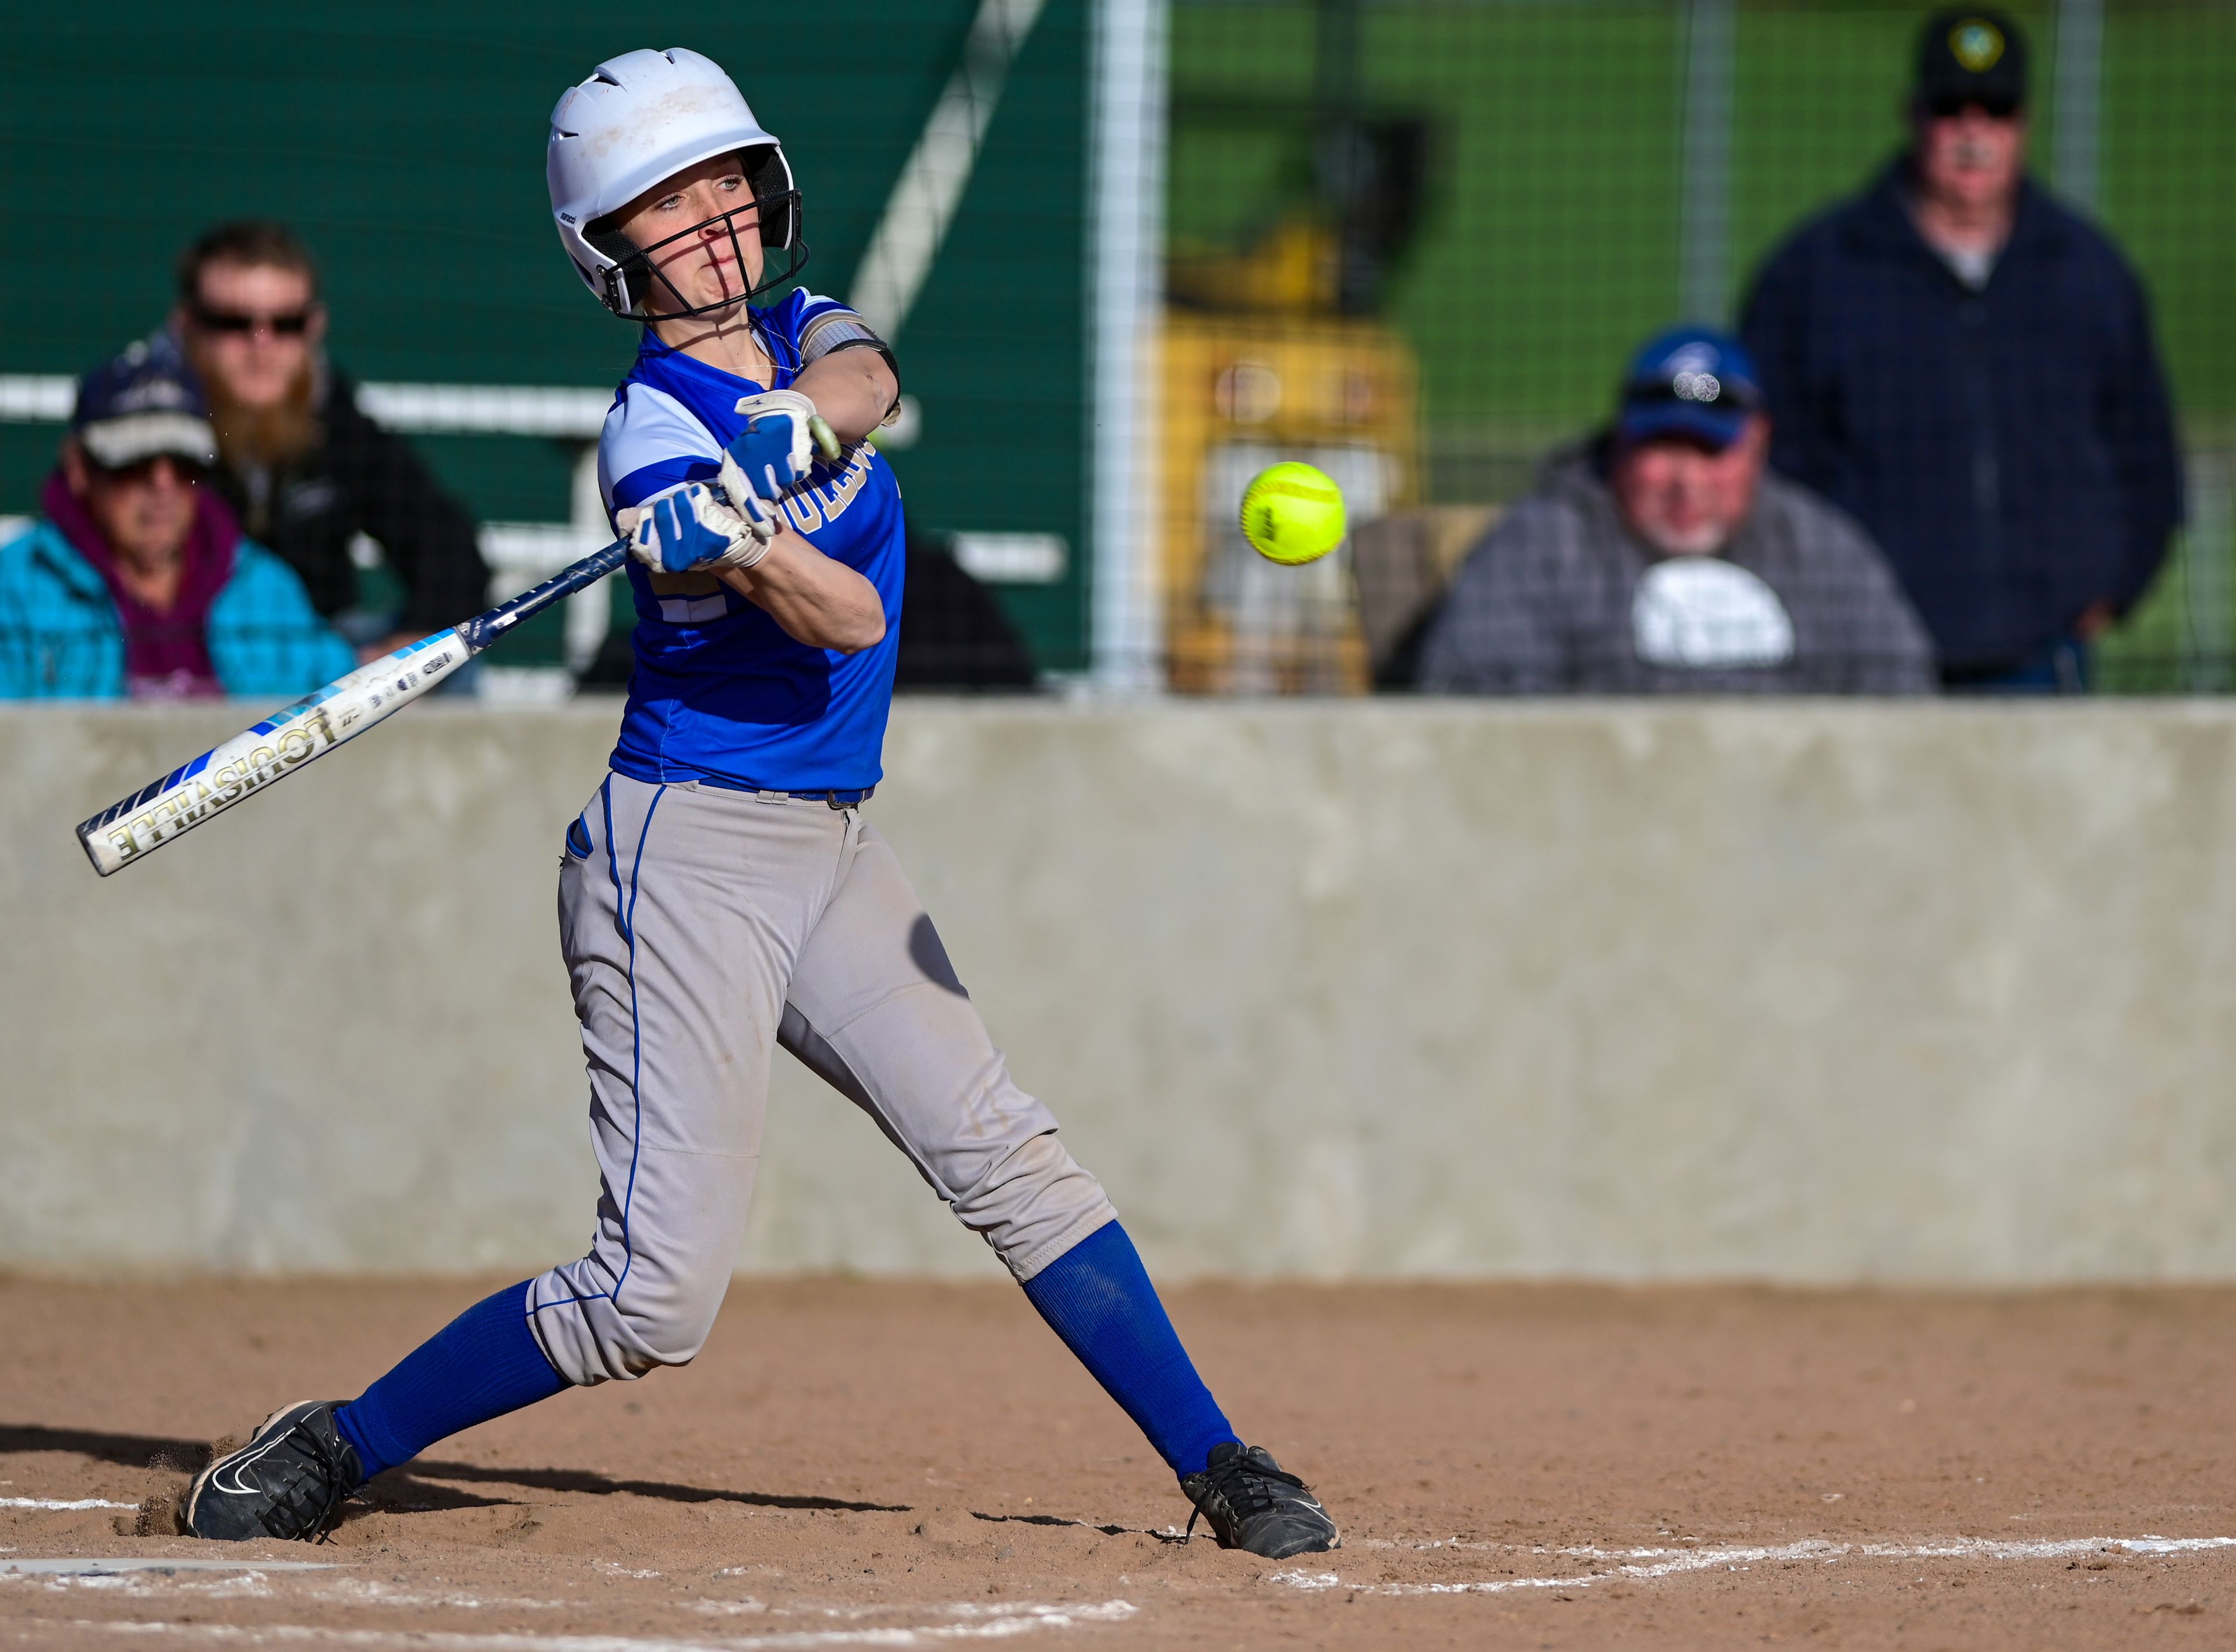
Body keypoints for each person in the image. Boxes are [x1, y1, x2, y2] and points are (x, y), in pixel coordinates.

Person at [181, 47, 1337, 1561]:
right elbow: (848, 621)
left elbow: (871, 375)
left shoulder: (803, 327)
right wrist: (726, 530)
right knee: (653, 1299)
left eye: (726, 177)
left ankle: (1220, 1458)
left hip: (831, 842)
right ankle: (340, 1440)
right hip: (688, 854)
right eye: (670, 198)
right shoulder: (648, 439)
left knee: (1005, 1150)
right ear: (613, 249)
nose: (717, 212)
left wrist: (792, 428)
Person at [1740, 8, 2182, 691]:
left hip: (2045, 655)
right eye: (1952, 110)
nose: (1973, 134)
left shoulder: (2087, 272)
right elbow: (1767, 457)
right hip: (1868, 656)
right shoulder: (1819, 273)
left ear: (2024, 124)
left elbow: (2147, 452)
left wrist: (2112, 583)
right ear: (1913, 115)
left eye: (1996, 111)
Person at [1420, 327, 1934, 694]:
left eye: (1710, 452)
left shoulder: (1817, 548)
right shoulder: (1545, 544)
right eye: (1663, 448)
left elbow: (1903, 692)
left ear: (1758, 444)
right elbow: (1471, 700)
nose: (1686, 482)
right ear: (1619, 442)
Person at [172, 221, 489, 657]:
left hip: (323, 658)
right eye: (234, 322)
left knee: (450, 654)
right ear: (187, 326)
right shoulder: (148, 423)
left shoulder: (331, 415)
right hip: (180, 653)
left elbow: (445, 544)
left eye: (285, 323)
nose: (261, 344)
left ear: (314, 326)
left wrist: (406, 653)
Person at [0, 342, 353, 699]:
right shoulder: (14, 591)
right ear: (79, 467)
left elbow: (343, 705)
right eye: (135, 461)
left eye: (185, 463)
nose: (163, 484)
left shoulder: (265, 587)